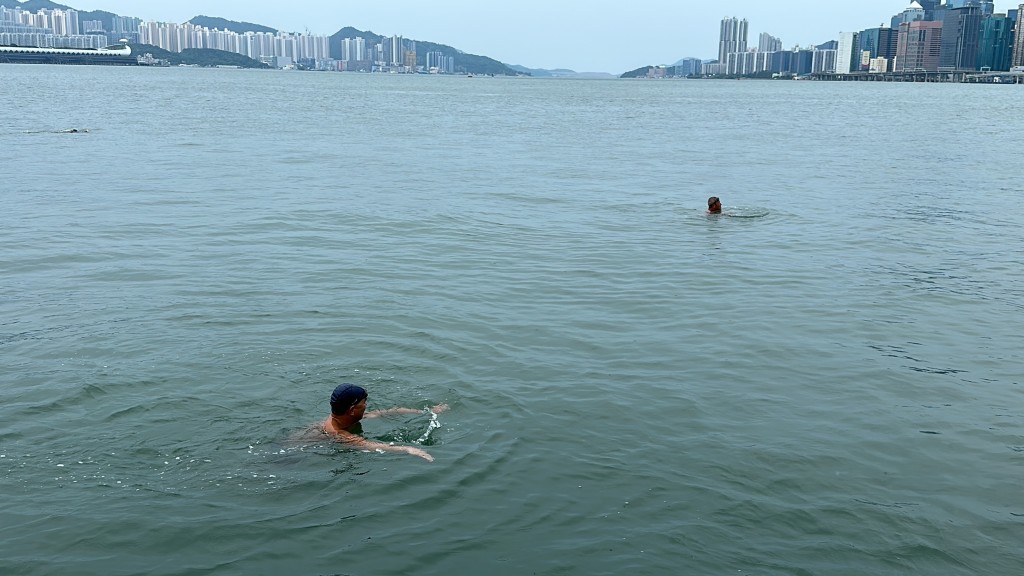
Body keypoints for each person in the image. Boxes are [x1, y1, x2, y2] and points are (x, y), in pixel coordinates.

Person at [322, 383, 448, 462]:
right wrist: (410, 449)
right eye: (363, 403)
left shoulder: (341, 416)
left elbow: (381, 413)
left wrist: (422, 412)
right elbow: (369, 445)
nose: (366, 405)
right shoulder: (338, 434)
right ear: (352, 410)